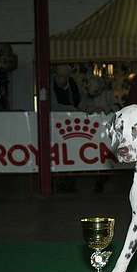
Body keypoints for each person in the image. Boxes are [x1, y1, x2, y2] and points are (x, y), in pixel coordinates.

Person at [78, 75, 121, 192]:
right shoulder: (86, 97)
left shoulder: (108, 95)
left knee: (104, 154)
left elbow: (117, 106)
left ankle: (102, 177)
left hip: (105, 131)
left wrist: (105, 109)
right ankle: (98, 178)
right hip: (92, 133)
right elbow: (79, 108)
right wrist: (90, 108)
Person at [50, 64, 84, 193]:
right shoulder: (50, 86)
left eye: (64, 76)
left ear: (69, 76)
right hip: (57, 126)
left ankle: (70, 183)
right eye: (59, 75)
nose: (61, 79)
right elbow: (53, 105)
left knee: (72, 154)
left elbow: (83, 99)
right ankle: (60, 183)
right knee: (59, 154)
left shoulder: (74, 85)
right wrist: (73, 109)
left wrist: (81, 105)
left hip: (73, 126)